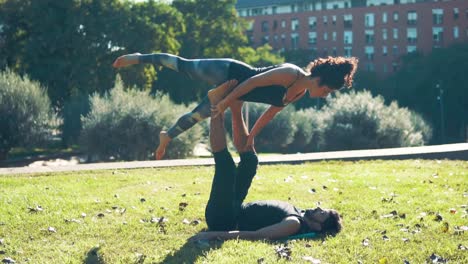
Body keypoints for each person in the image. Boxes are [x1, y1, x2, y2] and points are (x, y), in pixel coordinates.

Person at [112, 52, 358, 159]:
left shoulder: (297, 95)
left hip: (231, 91)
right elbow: (250, 83)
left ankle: (166, 136)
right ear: (318, 79)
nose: (325, 95)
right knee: (184, 66)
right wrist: (227, 102)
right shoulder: (290, 74)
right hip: (229, 72)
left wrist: (251, 138)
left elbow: (269, 114)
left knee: (199, 115)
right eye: (326, 90)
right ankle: (139, 57)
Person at [189, 83, 343, 241]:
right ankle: (236, 107)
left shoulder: (293, 224)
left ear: (318, 226)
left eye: (322, 213)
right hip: (234, 206)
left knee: (226, 166)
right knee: (250, 161)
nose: (318, 208)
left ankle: (215, 104)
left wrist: (211, 235)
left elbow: (257, 235)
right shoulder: (299, 213)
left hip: (223, 219)